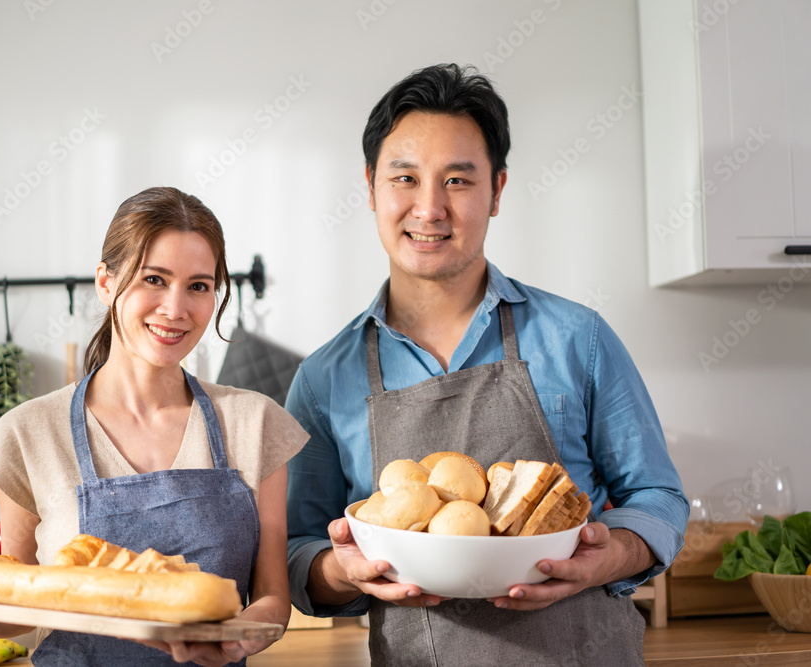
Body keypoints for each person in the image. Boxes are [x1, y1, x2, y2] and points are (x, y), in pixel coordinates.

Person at [285, 64, 689, 665]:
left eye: (457, 180)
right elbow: (299, 549)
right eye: (405, 177)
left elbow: (657, 495)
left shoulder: (581, 339)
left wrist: (611, 555)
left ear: (497, 191)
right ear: (370, 187)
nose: (429, 208)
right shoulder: (323, 380)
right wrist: (343, 573)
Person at [0, 187, 308, 666]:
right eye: (154, 279)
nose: (176, 309)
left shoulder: (254, 422)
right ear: (106, 283)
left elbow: (273, 598)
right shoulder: (28, 435)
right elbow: (27, 602)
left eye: (198, 285)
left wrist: (241, 636)